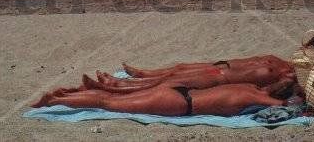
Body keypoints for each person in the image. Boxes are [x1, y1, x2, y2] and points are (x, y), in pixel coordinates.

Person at [32, 78, 295, 117]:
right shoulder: (257, 98)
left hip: (179, 91)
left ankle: (64, 94)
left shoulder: (249, 86)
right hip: (179, 104)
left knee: (110, 96)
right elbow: (284, 105)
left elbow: (278, 92)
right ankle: (53, 102)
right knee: (107, 104)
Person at [88, 55, 295, 94]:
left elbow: (276, 92)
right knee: (178, 69)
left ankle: (115, 86)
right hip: (216, 66)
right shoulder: (279, 60)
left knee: (171, 82)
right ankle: (143, 74)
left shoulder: (289, 78)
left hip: (218, 78)